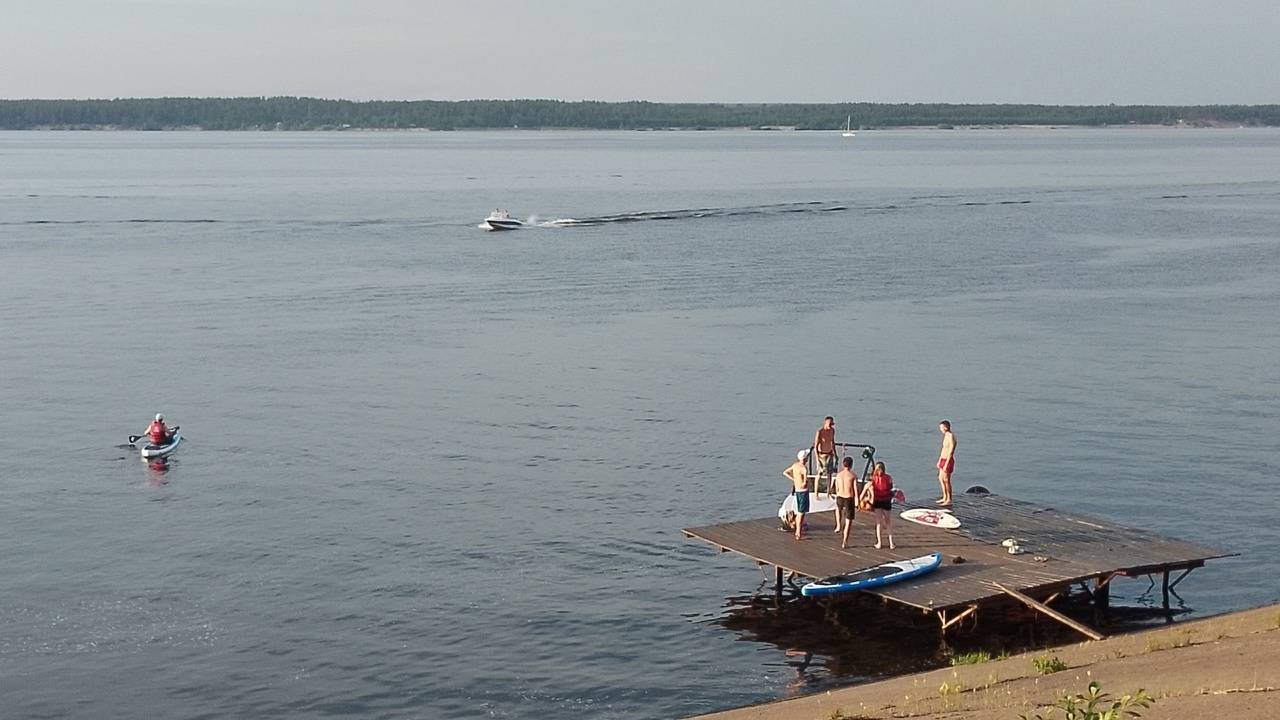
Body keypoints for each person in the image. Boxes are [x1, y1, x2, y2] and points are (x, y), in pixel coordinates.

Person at [860, 461, 895, 549]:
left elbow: (869, 489)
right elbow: (890, 488)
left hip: (878, 500)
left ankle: (879, 543)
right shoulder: (888, 477)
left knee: (879, 522)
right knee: (888, 522)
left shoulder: (873, 479)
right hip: (886, 500)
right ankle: (891, 543)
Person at [832, 456, 859, 548]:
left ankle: (838, 525)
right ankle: (844, 541)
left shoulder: (838, 475)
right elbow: (855, 490)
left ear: (843, 464)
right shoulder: (852, 476)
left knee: (838, 509)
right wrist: (857, 501)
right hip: (848, 498)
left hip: (840, 496)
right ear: (851, 465)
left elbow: (836, 488)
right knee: (848, 520)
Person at [784, 449, 811, 540]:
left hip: (797, 490)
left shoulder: (795, 465)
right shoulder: (804, 468)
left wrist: (794, 479)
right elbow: (805, 481)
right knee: (801, 512)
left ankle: (798, 530)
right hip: (803, 491)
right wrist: (804, 483)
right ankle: (798, 532)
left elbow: (785, 472)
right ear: (805, 458)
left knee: (800, 510)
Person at [812, 416, 837, 492]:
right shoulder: (820, 432)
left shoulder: (832, 430)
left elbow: (832, 442)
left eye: (832, 424)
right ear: (825, 423)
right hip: (821, 455)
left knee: (830, 474)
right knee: (819, 474)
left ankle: (829, 492)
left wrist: (835, 454)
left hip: (830, 454)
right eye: (829, 424)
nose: (830, 425)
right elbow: (815, 446)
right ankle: (816, 492)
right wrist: (817, 459)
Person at [936, 420, 957, 506]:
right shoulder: (945, 436)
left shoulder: (951, 436)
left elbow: (951, 451)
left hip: (948, 460)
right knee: (940, 478)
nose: (940, 429)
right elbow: (943, 449)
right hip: (943, 459)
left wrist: (946, 463)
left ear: (945, 427)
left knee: (946, 480)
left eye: (941, 427)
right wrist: (939, 460)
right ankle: (944, 496)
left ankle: (949, 499)